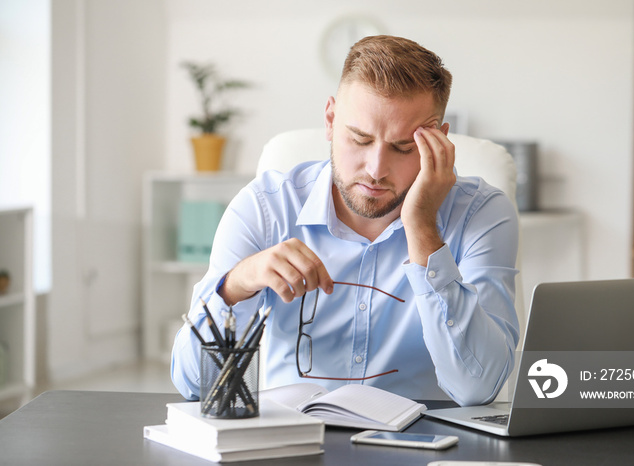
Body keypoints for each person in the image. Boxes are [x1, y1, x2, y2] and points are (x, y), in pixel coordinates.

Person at [171, 35, 519, 406]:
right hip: (292, 443)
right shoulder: (264, 208)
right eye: (359, 139)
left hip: (424, 446)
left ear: (438, 142)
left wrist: (421, 225)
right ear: (331, 120)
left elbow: (478, 388)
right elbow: (194, 384)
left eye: (403, 147)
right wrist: (238, 284)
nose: (376, 170)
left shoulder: (482, 214)